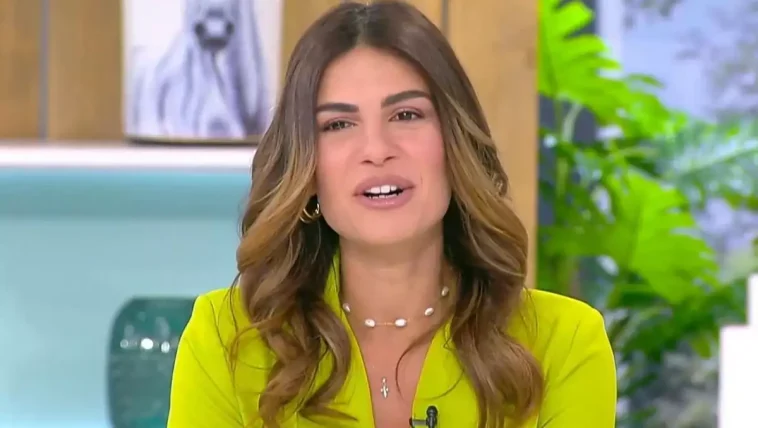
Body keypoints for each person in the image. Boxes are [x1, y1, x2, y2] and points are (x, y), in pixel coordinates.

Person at [167, 1, 617, 427]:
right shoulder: (227, 341)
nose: (377, 150)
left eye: (406, 114)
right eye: (338, 124)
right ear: (307, 169)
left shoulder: (564, 344)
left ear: (454, 144)